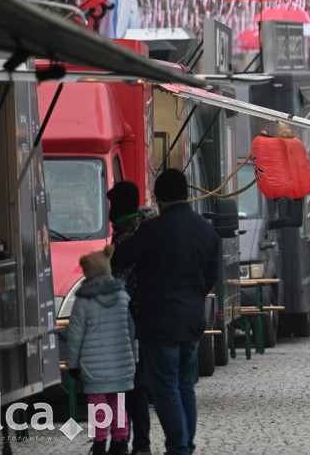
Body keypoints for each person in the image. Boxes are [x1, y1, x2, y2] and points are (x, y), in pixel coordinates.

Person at [110, 168, 220, 455]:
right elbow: (212, 276)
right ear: (186, 193)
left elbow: (120, 258)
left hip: (159, 322)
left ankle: (178, 448)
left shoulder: (153, 229)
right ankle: (186, 445)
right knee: (185, 386)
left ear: (158, 197)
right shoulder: (206, 229)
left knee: (166, 388)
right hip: (193, 319)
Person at [66, 246, 137, 455]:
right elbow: (133, 331)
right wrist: (136, 358)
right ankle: (121, 443)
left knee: (99, 408)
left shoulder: (83, 301)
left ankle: (99, 445)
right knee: (119, 405)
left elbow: (75, 335)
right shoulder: (123, 297)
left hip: (93, 367)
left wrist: (72, 364)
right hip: (122, 365)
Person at [107, 182, 156, 455]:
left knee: (131, 386)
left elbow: (121, 279)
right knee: (132, 387)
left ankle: (131, 443)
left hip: (132, 320)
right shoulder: (135, 229)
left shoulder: (131, 236)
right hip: (134, 319)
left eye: (114, 205)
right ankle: (134, 443)